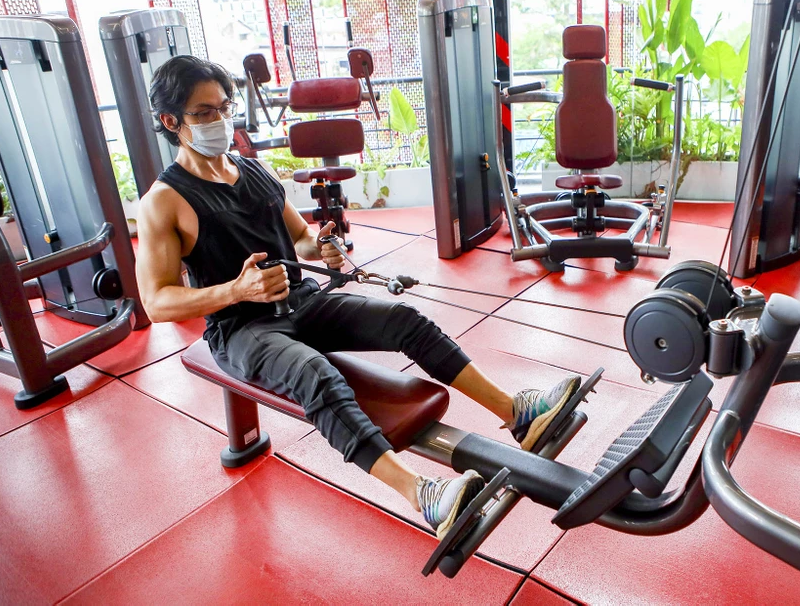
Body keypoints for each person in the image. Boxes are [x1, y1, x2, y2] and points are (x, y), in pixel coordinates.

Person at [135, 55, 579, 540]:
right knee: (314, 374)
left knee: (404, 319)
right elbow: (156, 302)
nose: (220, 120)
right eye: (204, 113)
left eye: (224, 107)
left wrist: (321, 247)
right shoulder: (164, 201)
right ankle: (424, 495)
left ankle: (517, 413)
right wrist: (235, 290)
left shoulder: (254, 171)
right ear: (171, 122)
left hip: (301, 300)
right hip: (242, 328)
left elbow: (300, 238)